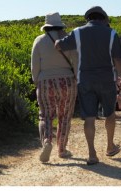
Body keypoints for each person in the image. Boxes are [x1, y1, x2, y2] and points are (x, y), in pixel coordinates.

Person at [56, 6, 121, 166]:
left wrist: (57, 38)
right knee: (110, 114)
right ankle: (110, 146)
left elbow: (60, 45)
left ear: (88, 18)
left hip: (85, 80)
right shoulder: (112, 33)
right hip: (107, 80)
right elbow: (118, 60)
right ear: (103, 19)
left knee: (89, 117)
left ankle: (92, 154)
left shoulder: (78, 32)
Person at [30, 13, 78, 163]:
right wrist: (76, 78)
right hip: (67, 81)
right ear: (60, 25)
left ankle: (47, 142)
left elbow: (34, 65)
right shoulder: (68, 39)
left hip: (45, 82)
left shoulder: (39, 41)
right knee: (65, 116)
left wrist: (36, 80)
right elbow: (76, 61)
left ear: (46, 26)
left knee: (45, 115)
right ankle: (62, 149)